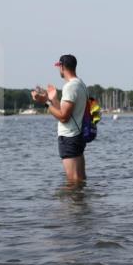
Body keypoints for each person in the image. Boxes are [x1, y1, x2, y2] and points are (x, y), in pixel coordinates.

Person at [32, 54, 88, 183]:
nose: (58, 70)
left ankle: (73, 203)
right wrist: (53, 99)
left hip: (69, 138)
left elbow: (63, 117)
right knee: (79, 179)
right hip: (77, 136)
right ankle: (80, 202)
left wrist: (45, 102)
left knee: (73, 181)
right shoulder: (80, 84)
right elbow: (66, 112)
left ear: (62, 67)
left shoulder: (70, 87)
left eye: (59, 67)